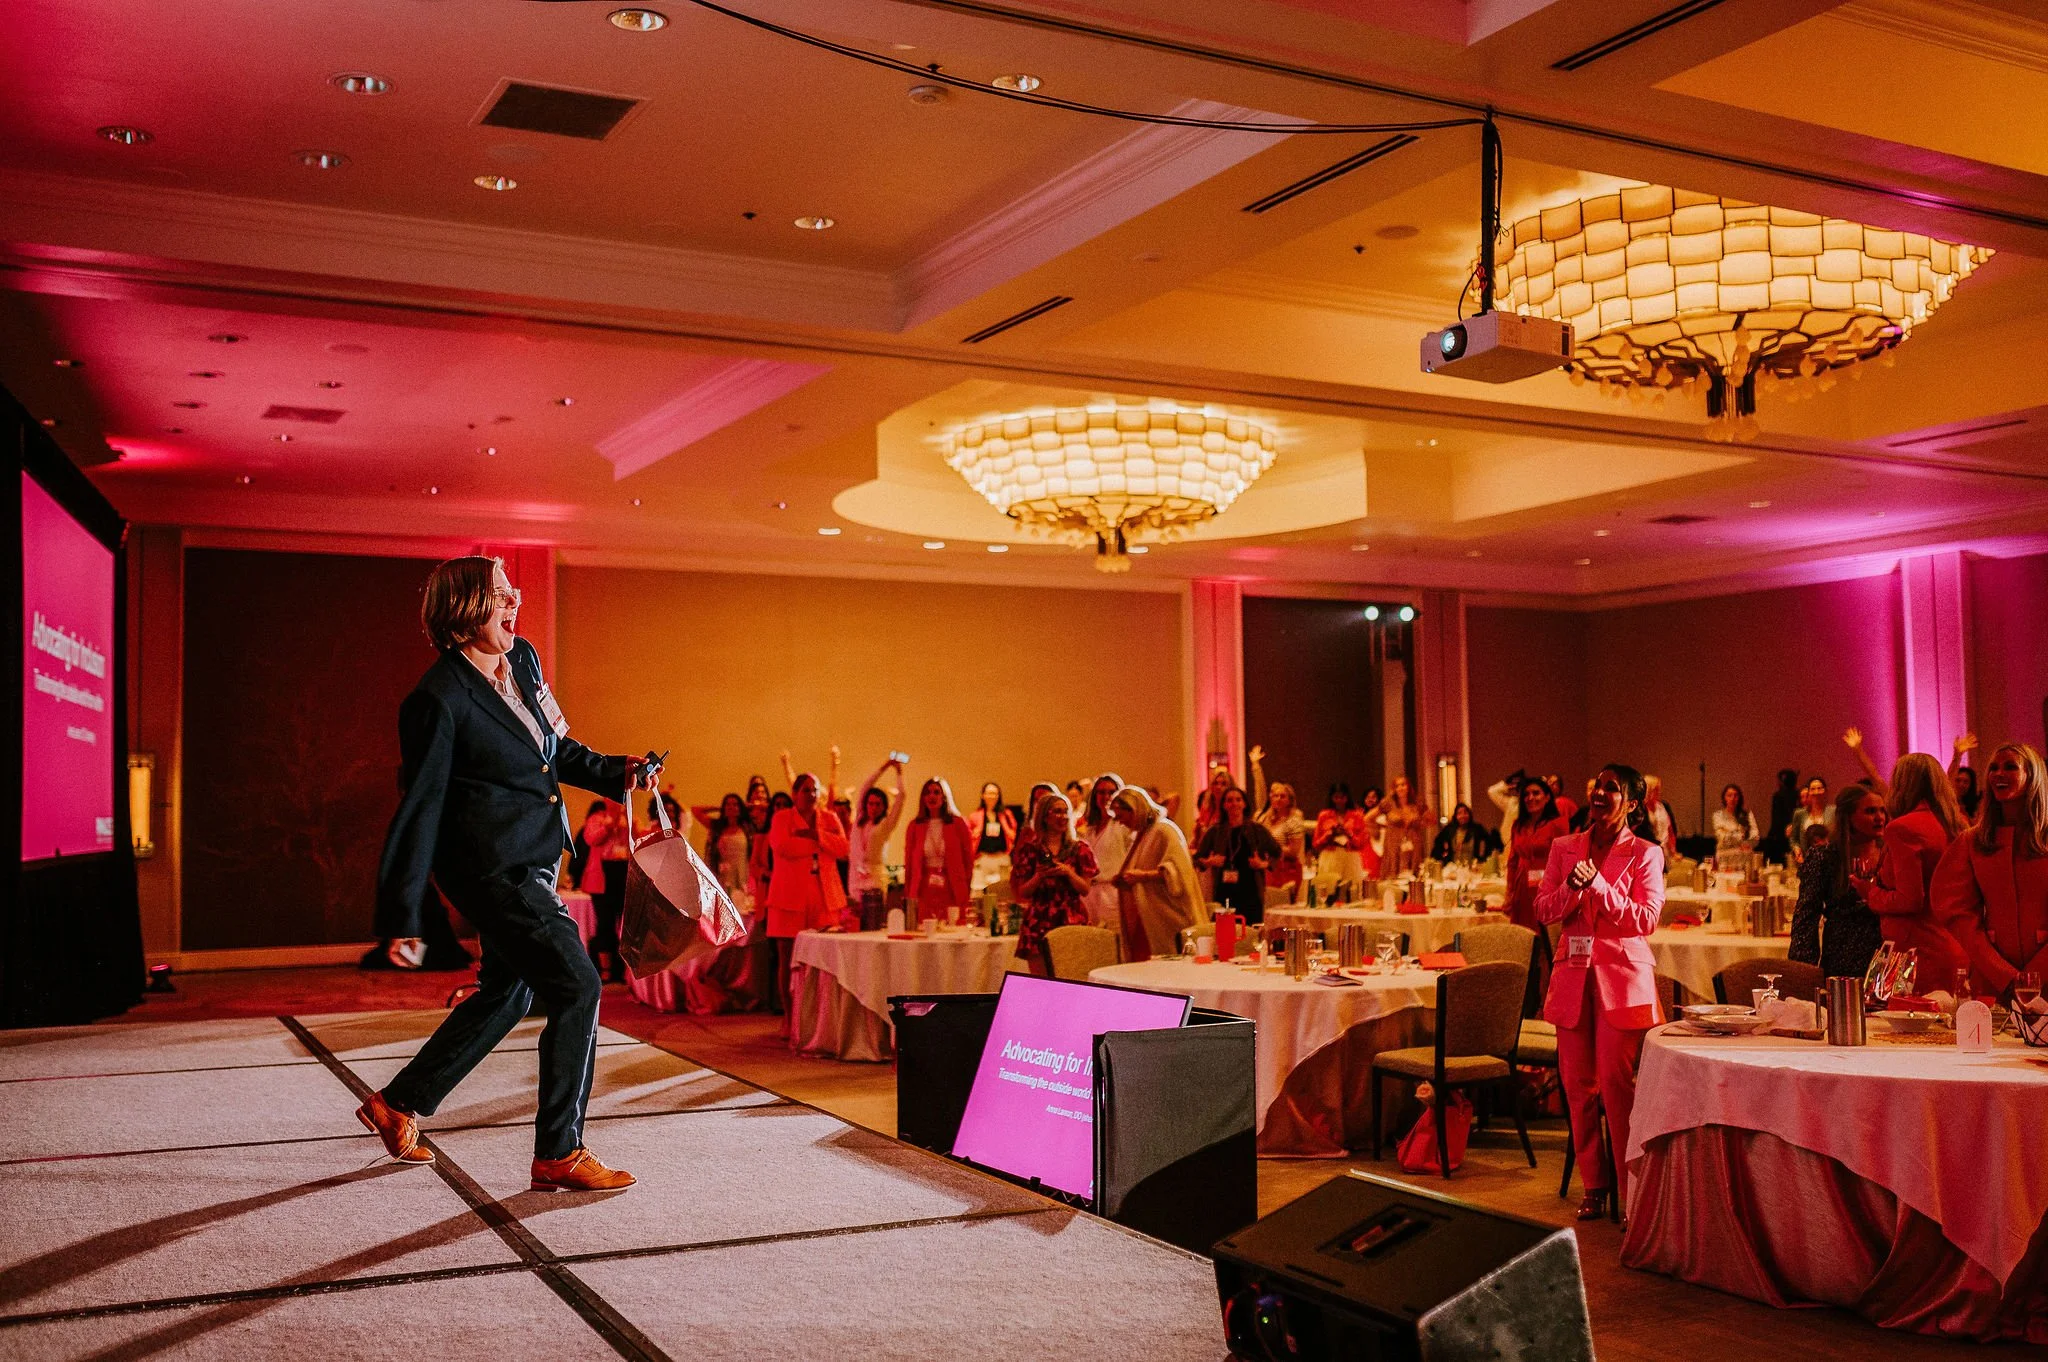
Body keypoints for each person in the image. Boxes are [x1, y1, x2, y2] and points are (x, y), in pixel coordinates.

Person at [364, 555, 654, 1192]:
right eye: (500, 593)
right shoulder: (436, 699)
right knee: (578, 985)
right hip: (491, 872)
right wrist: (402, 915)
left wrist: (615, 772)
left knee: (509, 991)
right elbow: (422, 807)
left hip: (537, 859)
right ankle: (559, 1152)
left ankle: (399, 1102)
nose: (513, 601)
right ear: (463, 608)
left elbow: (553, 750)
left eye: (513, 591)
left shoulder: (522, 661)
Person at [1535, 763, 1664, 1222]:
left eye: (1612, 788)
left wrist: (1601, 885)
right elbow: (1543, 908)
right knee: (1577, 1087)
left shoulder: (1645, 853)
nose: (1600, 792)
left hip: (1623, 982)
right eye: (1597, 784)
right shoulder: (1563, 847)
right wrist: (1572, 891)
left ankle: (1632, 1191)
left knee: (1616, 1086)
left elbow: (1645, 920)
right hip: (1572, 977)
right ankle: (1594, 1183)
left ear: (1631, 804)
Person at [1933, 743, 2048, 1002]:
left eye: (2010, 767)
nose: (1998, 774)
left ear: (2033, 776)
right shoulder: (1972, 842)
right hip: (1993, 981)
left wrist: (2033, 976)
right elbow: (1955, 911)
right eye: (1993, 768)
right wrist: (2003, 975)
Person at [1861, 753, 1969, 986]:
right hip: (1955, 943)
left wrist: (1870, 893)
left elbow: (1909, 900)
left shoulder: (1902, 828)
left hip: (1917, 952)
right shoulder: (1956, 823)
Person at [763, 771, 848, 1016]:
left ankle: (820, 1018)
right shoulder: (781, 818)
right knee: (787, 957)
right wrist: (822, 844)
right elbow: (783, 847)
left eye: (815, 790)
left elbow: (843, 848)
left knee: (823, 958)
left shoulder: (829, 818)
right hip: (788, 895)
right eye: (806, 790)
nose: (811, 795)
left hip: (824, 894)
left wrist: (815, 835)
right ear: (795, 794)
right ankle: (790, 1016)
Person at [1788, 782, 1888, 982]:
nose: (1880, 817)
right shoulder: (1824, 856)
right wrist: (1803, 974)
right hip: (1843, 958)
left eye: (1882, 811)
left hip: (1886, 957)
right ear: (1849, 817)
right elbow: (1806, 917)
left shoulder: (1890, 854)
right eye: (1870, 811)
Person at [1109, 786, 1205, 960]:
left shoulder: (1163, 830)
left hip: (1167, 915)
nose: (1119, 822)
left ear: (1134, 809)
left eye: (1121, 816)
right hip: (1145, 917)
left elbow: (1179, 870)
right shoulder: (1141, 835)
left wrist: (1142, 876)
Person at [1010, 793, 1098, 970]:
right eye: (1057, 812)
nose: (1063, 817)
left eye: (1066, 812)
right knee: (1040, 982)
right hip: (1039, 918)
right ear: (1044, 816)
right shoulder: (1030, 849)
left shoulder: (1080, 849)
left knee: (1070, 977)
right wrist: (1039, 876)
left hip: (1070, 917)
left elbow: (1085, 889)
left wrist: (1068, 873)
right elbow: (1023, 892)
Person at [1195, 786, 1281, 922]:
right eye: (1229, 800)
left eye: (1238, 800)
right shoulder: (1215, 831)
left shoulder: (1256, 829)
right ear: (1223, 805)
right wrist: (1209, 862)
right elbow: (1197, 859)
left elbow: (1277, 853)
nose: (1234, 803)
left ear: (1244, 803)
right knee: (1225, 933)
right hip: (1223, 892)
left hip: (1251, 891)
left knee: (1251, 931)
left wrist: (1263, 864)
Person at [904, 777, 975, 925]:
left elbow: (968, 860)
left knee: (952, 927)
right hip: (924, 888)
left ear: (944, 797)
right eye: (928, 793)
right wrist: (909, 895)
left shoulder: (958, 824)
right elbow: (909, 865)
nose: (932, 796)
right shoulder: (914, 826)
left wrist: (966, 888)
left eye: (936, 792)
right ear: (923, 798)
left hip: (952, 887)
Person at [1504, 776, 1571, 931]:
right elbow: (1512, 861)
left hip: (1547, 889)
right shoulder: (1518, 825)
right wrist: (1509, 892)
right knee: (1522, 936)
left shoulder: (1559, 824)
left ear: (1547, 797)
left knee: (1544, 937)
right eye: (1526, 794)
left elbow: (1565, 861)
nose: (1530, 798)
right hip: (1521, 888)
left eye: (1536, 793)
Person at [847, 755, 906, 924]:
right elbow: (866, 787)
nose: (873, 807)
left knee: (874, 919)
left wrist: (899, 773)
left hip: (875, 877)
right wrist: (883, 767)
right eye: (871, 803)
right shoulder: (859, 820)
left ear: (884, 807)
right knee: (855, 920)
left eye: (878, 804)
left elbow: (901, 797)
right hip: (855, 876)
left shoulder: (886, 826)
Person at [1249, 746, 1309, 900]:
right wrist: (1256, 767)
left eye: (1282, 796)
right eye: (1275, 796)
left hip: (1285, 870)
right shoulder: (1263, 817)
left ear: (1289, 800)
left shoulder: (1293, 820)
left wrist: (1272, 847)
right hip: (1264, 867)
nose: (1278, 799)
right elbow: (1259, 793)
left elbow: (1294, 851)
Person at [1078, 773, 1131, 931]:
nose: (1106, 796)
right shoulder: (1089, 828)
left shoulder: (1123, 826)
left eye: (1111, 792)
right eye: (1101, 792)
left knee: (1115, 938)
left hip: (1113, 893)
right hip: (1090, 894)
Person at [1371, 774, 1433, 877]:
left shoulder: (1417, 803)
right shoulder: (1388, 804)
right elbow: (1368, 818)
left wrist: (1420, 824)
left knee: (1414, 875)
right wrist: (1382, 827)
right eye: (1397, 786)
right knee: (1393, 873)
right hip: (1394, 843)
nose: (1400, 788)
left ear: (1408, 786)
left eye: (1403, 784)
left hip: (1413, 843)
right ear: (1394, 789)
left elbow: (1432, 820)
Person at [1312, 783, 1372, 886]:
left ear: (1347, 798)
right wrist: (1329, 835)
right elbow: (1316, 843)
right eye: (1336, 797)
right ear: (1331, 798)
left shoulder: (1357, 816)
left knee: (1352, 889)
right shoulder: (1324, 816)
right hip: (1330, 857)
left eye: (1342, 797)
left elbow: (1361, 844)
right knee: (1330, 889)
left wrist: (1349, 834)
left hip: (1350, 857)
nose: (1339, 801)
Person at [701, 793, 755, 906]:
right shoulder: (717, 827)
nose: (731, 807)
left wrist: (751, 806)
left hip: (744, 876)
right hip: (723, 877)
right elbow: (696, 811)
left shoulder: (748, 828)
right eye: (728, 805)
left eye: (735, 804)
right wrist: (719, 807)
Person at [968, 782, 1017, 893]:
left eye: (995, 793)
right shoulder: (975, 816)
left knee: (1002, 892)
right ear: (983, 795)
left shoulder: (1006, 815)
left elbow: (1013, 833)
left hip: (1001, 858)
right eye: (989, 793)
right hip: (983, 858)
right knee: (979, 891)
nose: (992, 796)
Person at [1429, 803, 1499, 865]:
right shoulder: (1449, 829)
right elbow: (1438, 842)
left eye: (1465, 812)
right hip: (1453, 868)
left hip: (1472, 868)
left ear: (1469, 814)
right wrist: (1442, 859)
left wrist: (1483, 858)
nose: (1463, 816)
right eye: (1459, 813)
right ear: (1456, 816)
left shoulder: (1477, 828)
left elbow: (1490, 842)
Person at [1761, 768, 1801, 862]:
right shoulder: (1798, 795)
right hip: (1795, 833)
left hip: (1779, 836)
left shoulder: (1778, 796)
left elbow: (1776, 820)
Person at [1711, 783, 1759, 858]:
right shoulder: (1718, 816)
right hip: (1724, 857)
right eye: (1729, 795)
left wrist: (1731, 833)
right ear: (1724, 798)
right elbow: (1722, 838)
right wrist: (1741, 836)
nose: (1732, 798)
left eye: (1736, 795)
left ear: (1739, 798)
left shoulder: (1747, 815)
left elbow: (1755, 837)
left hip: (1744, 856)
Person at [1788, 777, 1831, 853]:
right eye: (1813, 789)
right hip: (1806, 859)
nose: (1816, 792)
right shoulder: (1799, 813)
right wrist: (1796, 849)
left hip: (1829, 859)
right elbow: (1793, 839)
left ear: (1825, 791)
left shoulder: (1833, 811)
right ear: (1809, 792)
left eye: (1819, 788)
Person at [1640, 776, 1677, 862]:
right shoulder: (1640, 809)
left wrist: (1673, 851)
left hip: (1665, 851)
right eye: (1656, 789)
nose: (1659, 792)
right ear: (1649, 790)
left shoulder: (1663, 806)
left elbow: (1670, 829)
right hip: (1648, 852)